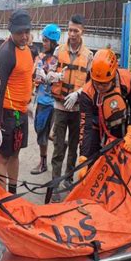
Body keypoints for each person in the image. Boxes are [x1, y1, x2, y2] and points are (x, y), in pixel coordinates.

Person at [47, 14, 93, 195]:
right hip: (60, 107)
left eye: (76, 31)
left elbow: (92, 83)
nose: (72, 34)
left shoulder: (89, 56)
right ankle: (54, 186)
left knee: (74, 147)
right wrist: (54, 76)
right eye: (70, 30)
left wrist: (78, 93)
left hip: (77, 108)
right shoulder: (59, 51)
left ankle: (69, 181)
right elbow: (49, 71)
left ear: (83, 32)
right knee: (58, 148)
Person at [78, 48, 131, 176]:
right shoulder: (87, 93)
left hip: (120, 128)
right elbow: (86, 126)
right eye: (97, 83)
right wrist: (83, 157)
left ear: (113, 77)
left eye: (104, 84)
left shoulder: (126, 80)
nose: (100, 87)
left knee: (118, 170)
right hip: (96, 128)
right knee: (91, 167)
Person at [0, 10, 34, 194]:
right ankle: (0, 198)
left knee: (15, 153)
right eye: (20, 33)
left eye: (27, 31)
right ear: (11, 31)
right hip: (9, 113)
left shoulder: (27, 49)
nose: (24, 36)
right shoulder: (7, 53)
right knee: (3, 156)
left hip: (21, 111)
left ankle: (12, 192)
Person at [30, 24, 61, 174]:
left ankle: (44, 163)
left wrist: (48, 77)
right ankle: (55, 143)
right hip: (41, 100)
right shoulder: (43, 57)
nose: (43, 43)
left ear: (53, 42)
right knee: (39, 129)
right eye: (43, 40)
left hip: (51, 103)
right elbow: (35, 76)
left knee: (43, 132)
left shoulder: (58, 58)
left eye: (46, 41)